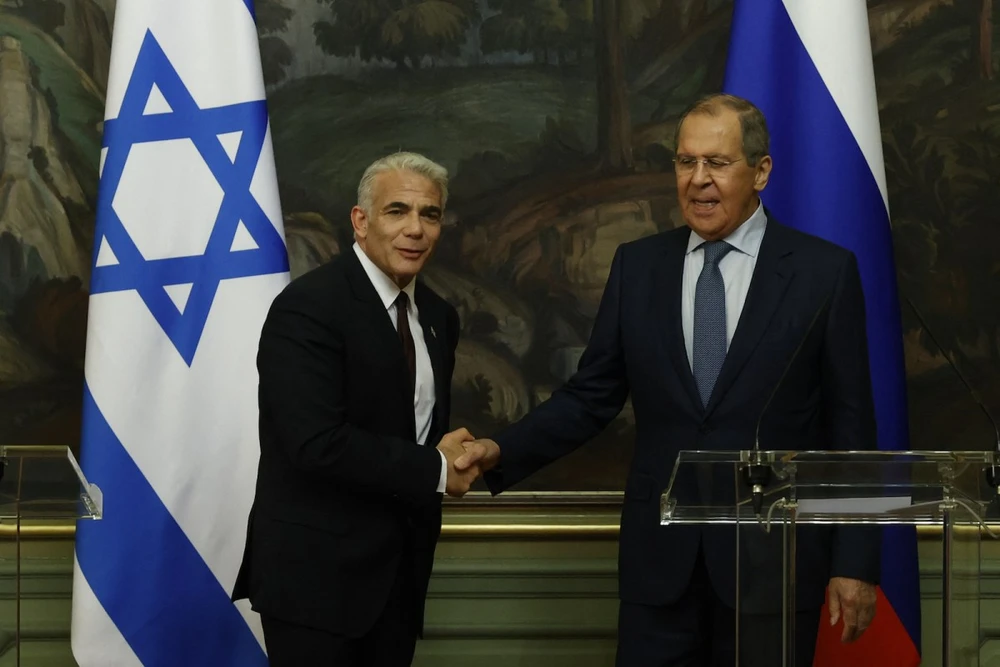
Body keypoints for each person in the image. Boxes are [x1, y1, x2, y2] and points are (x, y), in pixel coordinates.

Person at [458, 94, 880, 666]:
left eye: (717, 163)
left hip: (773, 569)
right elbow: (590, 397)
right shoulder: (638, 267)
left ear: (761, 171)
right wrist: (500, 450)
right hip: (659, 571)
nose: (698, 179)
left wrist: (854, 561)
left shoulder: (822, 272)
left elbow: (851, 429)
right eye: (685, 162)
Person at [232, 152, 481, 667]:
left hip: (399, 582)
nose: (416, 229)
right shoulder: (309, 306)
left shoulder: (438, 317)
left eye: (430, 214)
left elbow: (411, 430)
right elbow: (314, 443)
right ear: (361, 221)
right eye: (397, 211)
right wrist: (436, 468)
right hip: (315, 585)